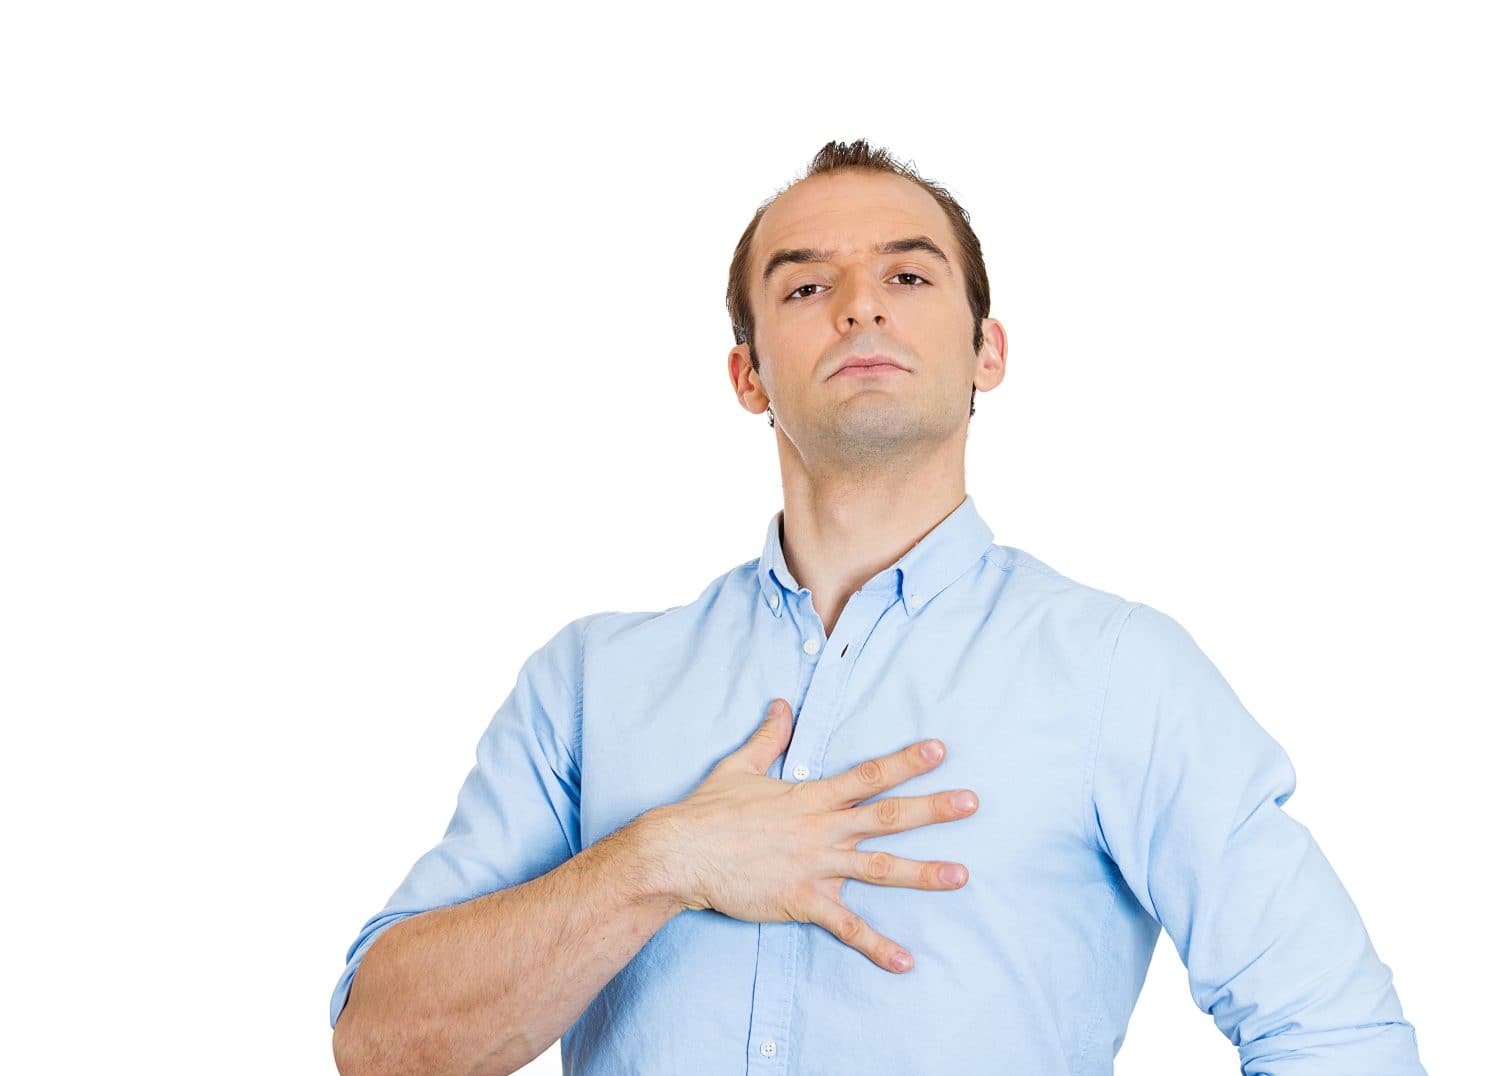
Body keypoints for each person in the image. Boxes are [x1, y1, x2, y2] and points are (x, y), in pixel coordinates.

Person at [329, 139, 1427, 1075]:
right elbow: (380, 1038)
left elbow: (1337, 1033)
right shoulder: (587, 681)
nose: (859, 301)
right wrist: (659, 859)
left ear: (985, 351)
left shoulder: (1118, 667)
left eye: (909, 277)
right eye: (805, 286)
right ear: (748, 374)